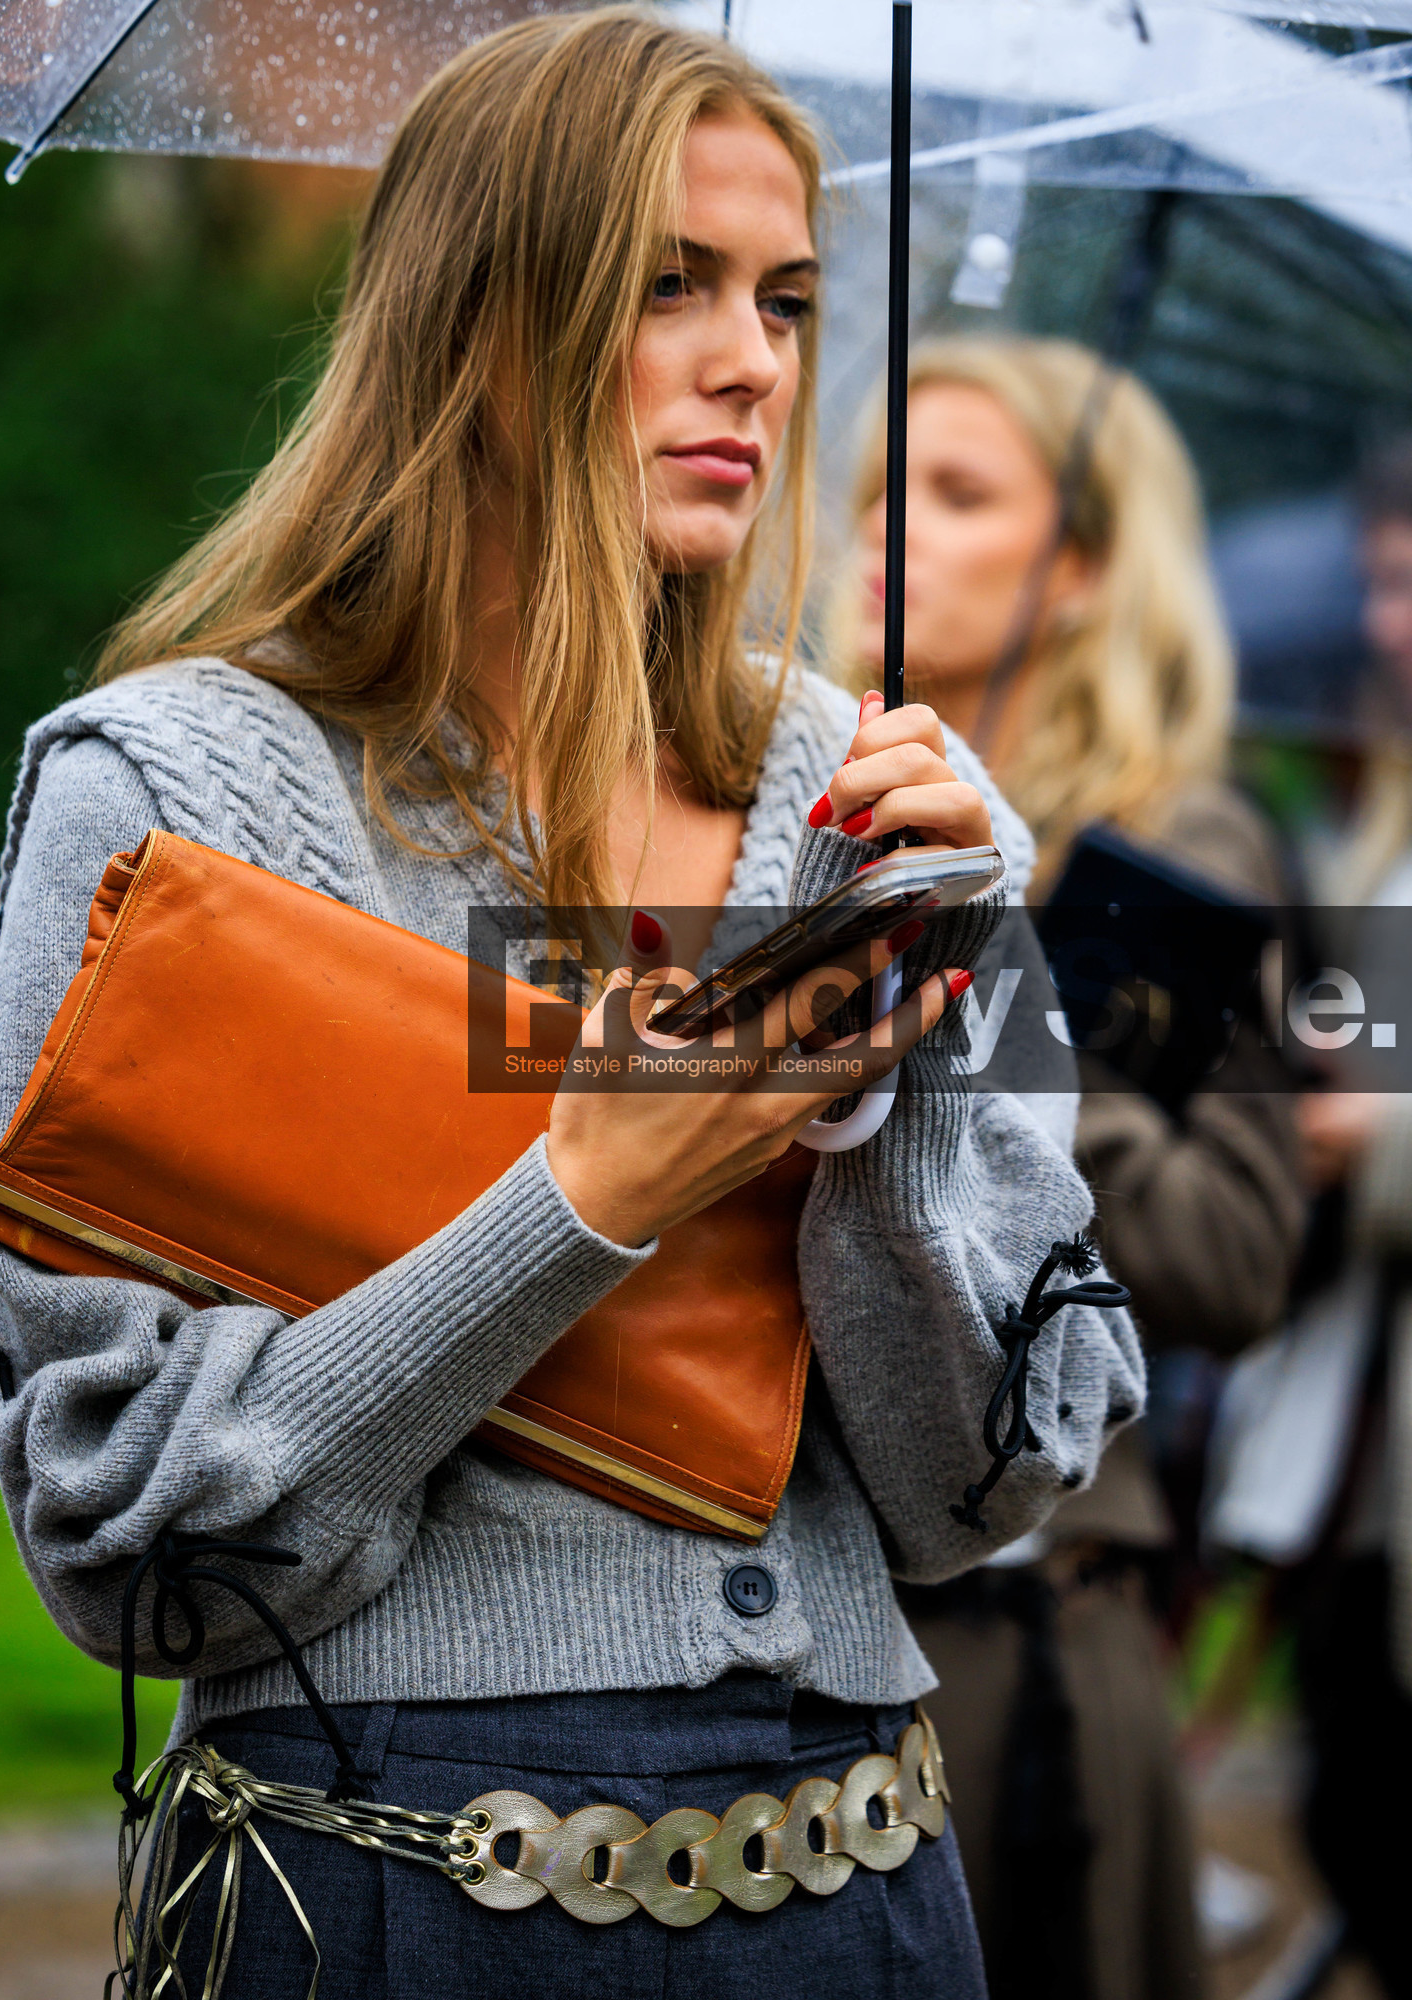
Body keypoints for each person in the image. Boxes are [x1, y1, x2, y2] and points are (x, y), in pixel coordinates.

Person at [0, 25, 1143, 1998]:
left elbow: (980, 1491)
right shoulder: (177, 796)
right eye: (665, 282)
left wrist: (900, 1078)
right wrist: (575, 1199)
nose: (753, 360)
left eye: (783, 299)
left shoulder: (867, 799)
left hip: (860, 1897)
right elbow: (126, 1545)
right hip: (383, 1900)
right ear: (475, 320)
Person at [832, 335, 1304, 2000]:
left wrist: (999, 1011)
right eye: (879, 491)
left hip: (1040, 1654)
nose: (886, 532)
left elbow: (1238, 1258)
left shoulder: (1186, 852)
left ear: (1088, 570)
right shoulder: (812, 816)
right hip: (817, 1629)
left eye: (957, 496)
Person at [1284, 434, 1412, 2000]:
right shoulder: (1373, 813)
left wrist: (1372, 1139)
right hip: (1347, 1440)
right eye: (1388, 578)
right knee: (1357, 1794)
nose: (1399, 620)